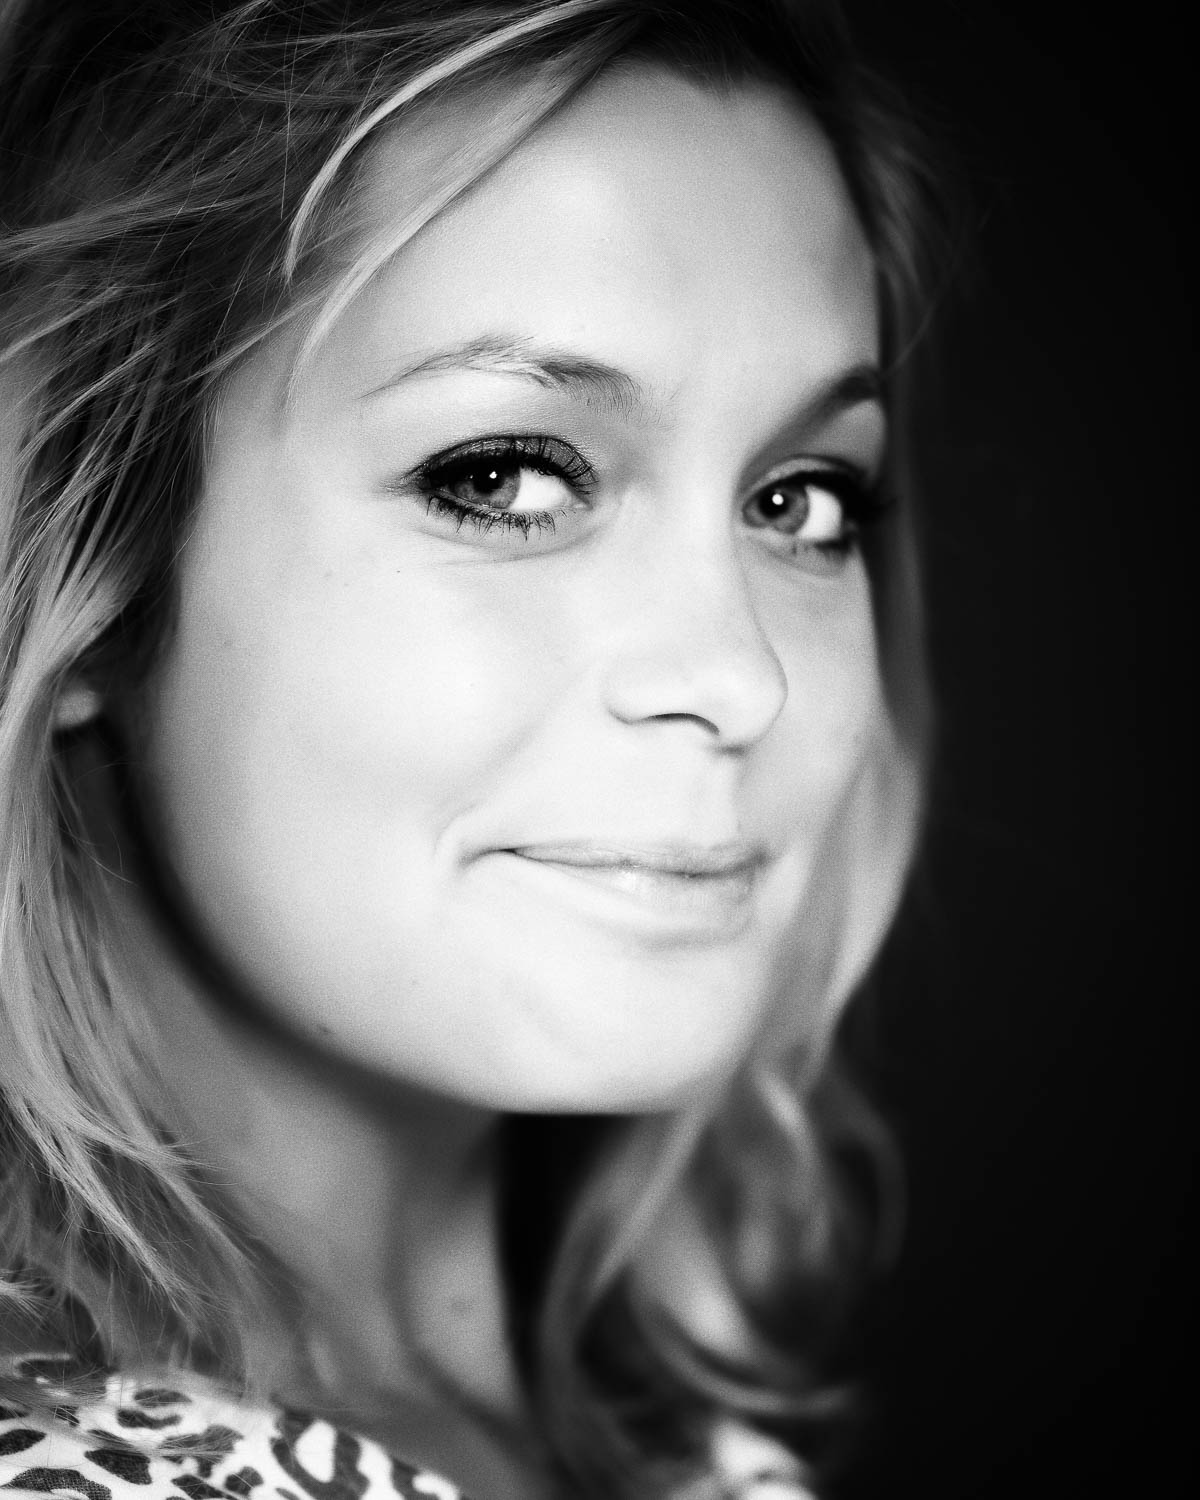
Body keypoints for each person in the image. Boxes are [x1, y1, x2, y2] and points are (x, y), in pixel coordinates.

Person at [0, 2, 939, 1496]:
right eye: (502, 477)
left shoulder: (673, 1443)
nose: (739, 675)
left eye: (800, 498)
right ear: (82, 558)